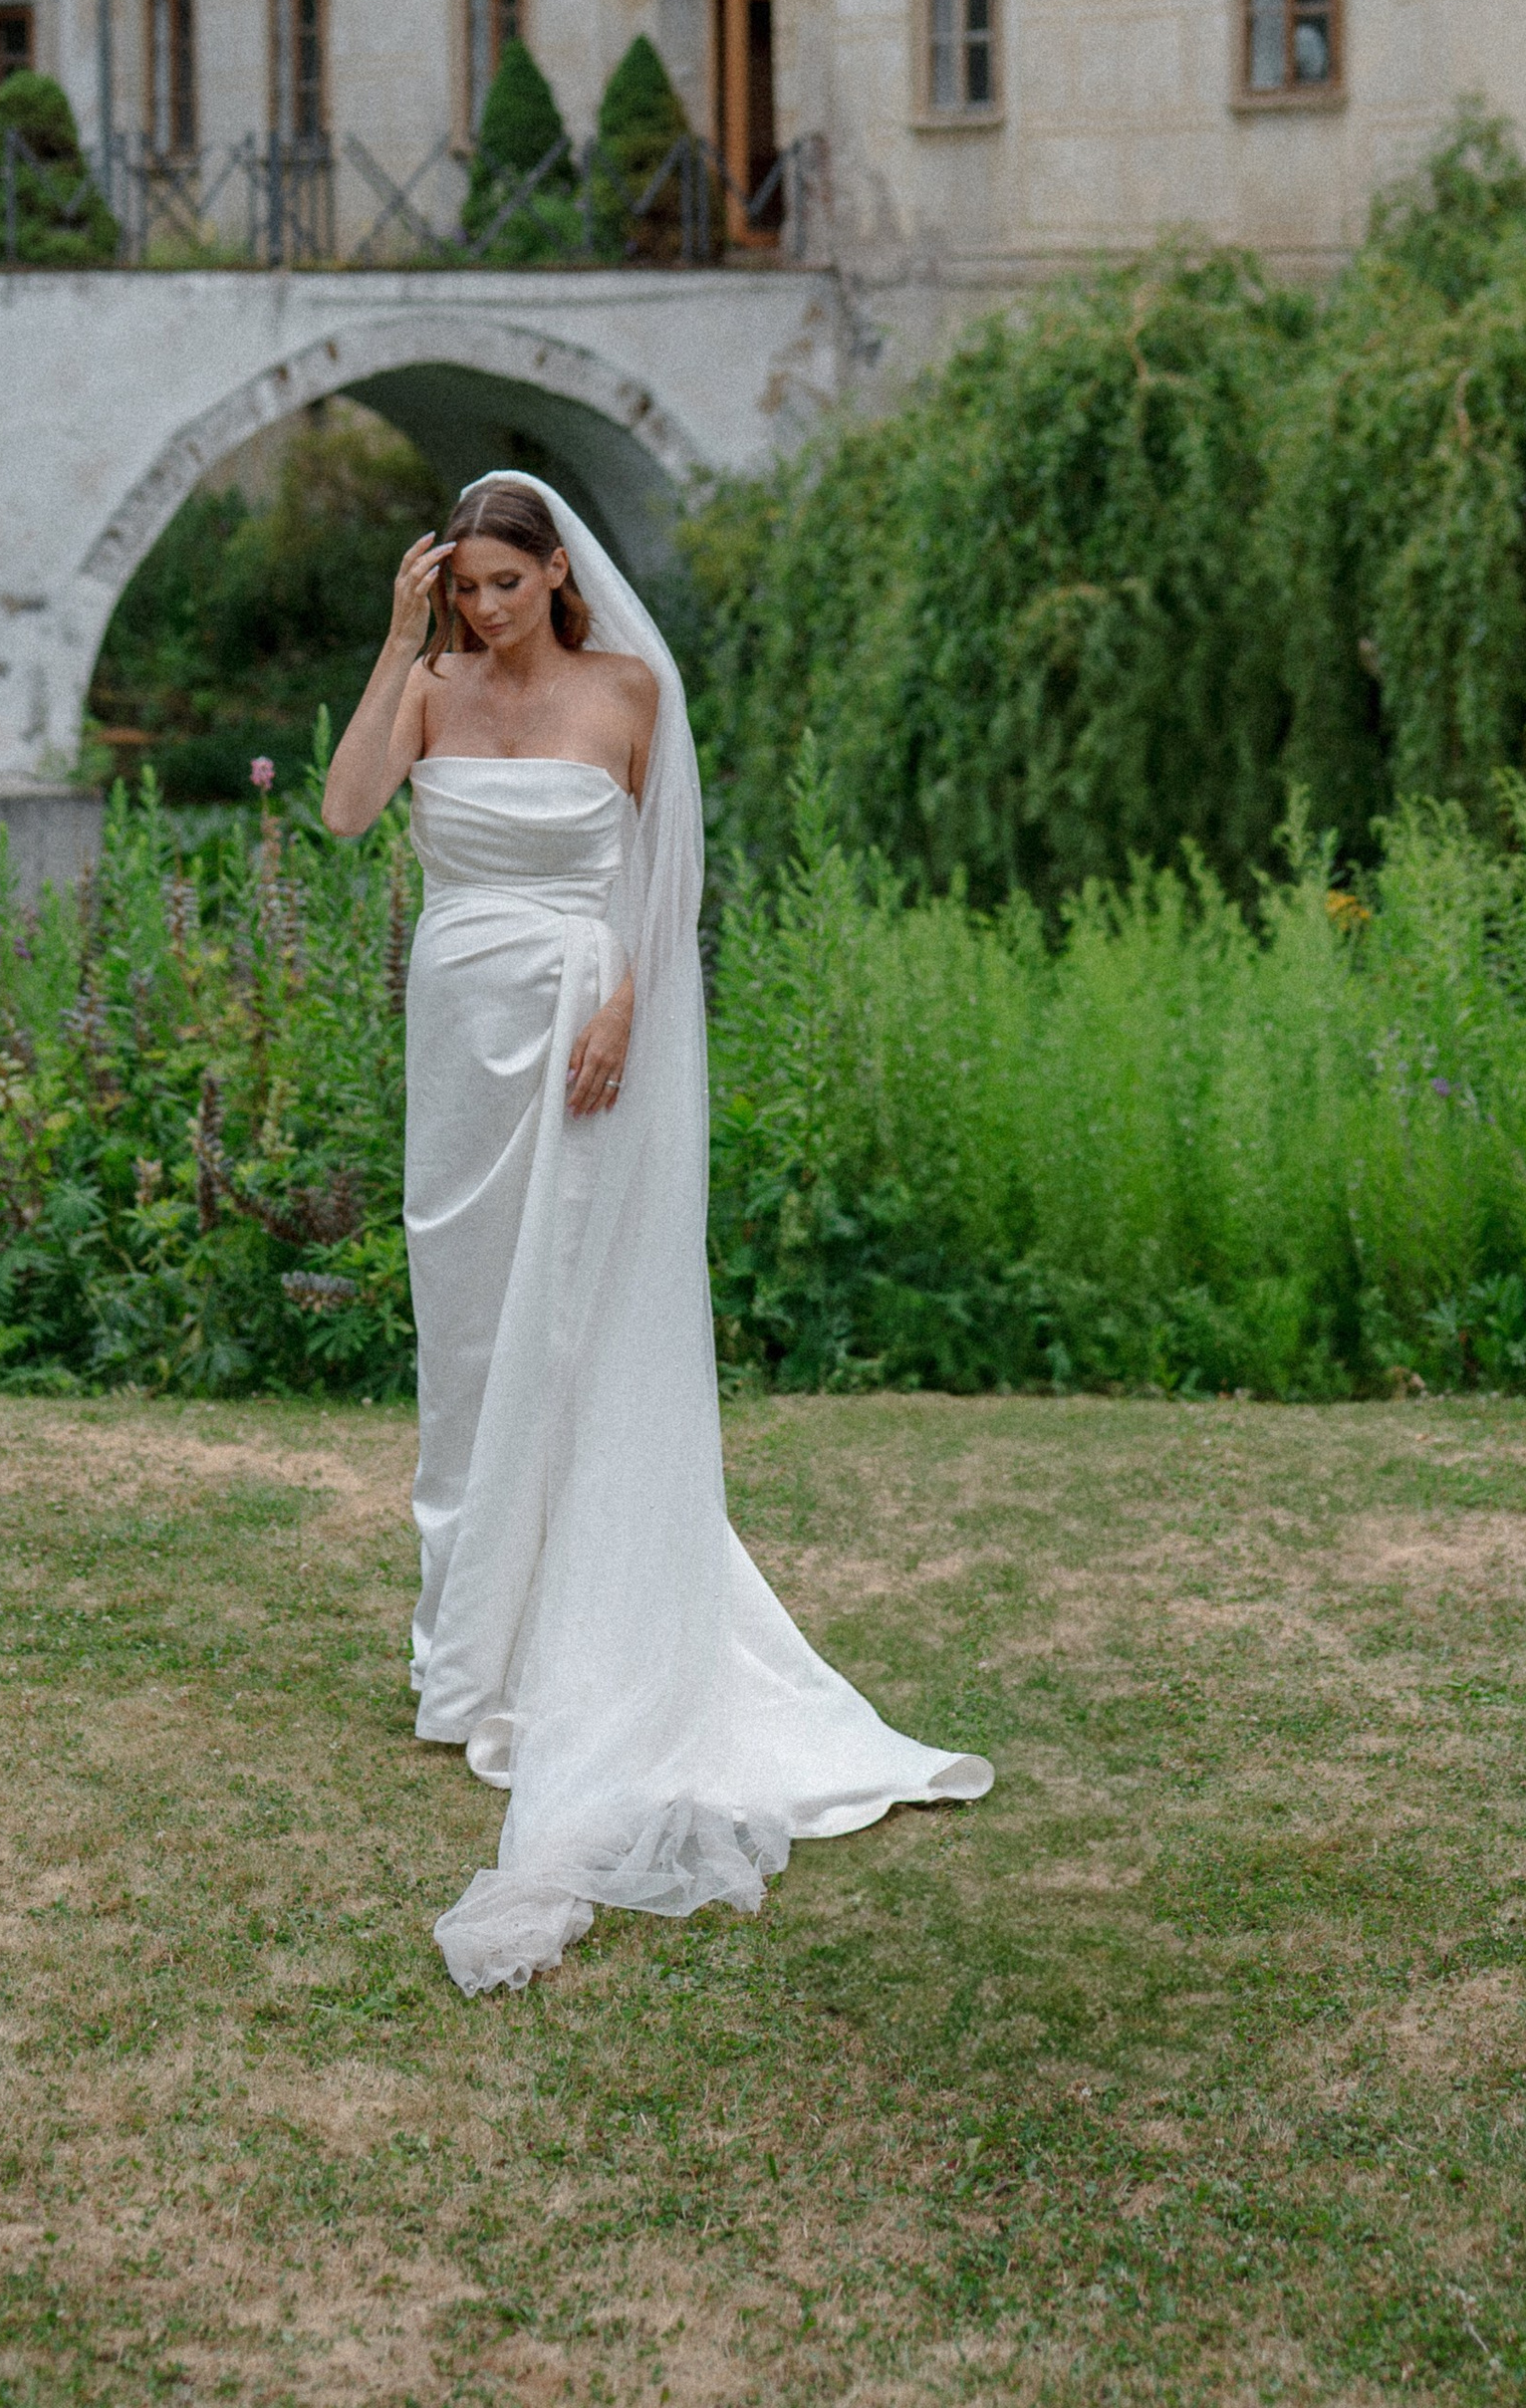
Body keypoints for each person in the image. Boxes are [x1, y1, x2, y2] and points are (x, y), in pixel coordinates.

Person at [323, 468, 990, 1995]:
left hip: (581, 1028)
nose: (484, 614)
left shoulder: (629, 691)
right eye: (462, 591)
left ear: (557, 574)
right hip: (458, 1028)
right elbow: (349, 812)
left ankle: (574, 1633)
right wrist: (393, 643)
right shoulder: (426, 686)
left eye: (504, 588)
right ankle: (465, 1656)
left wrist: (624, 994)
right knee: (474, 1330)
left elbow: (660, 877)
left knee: (575, 1321)